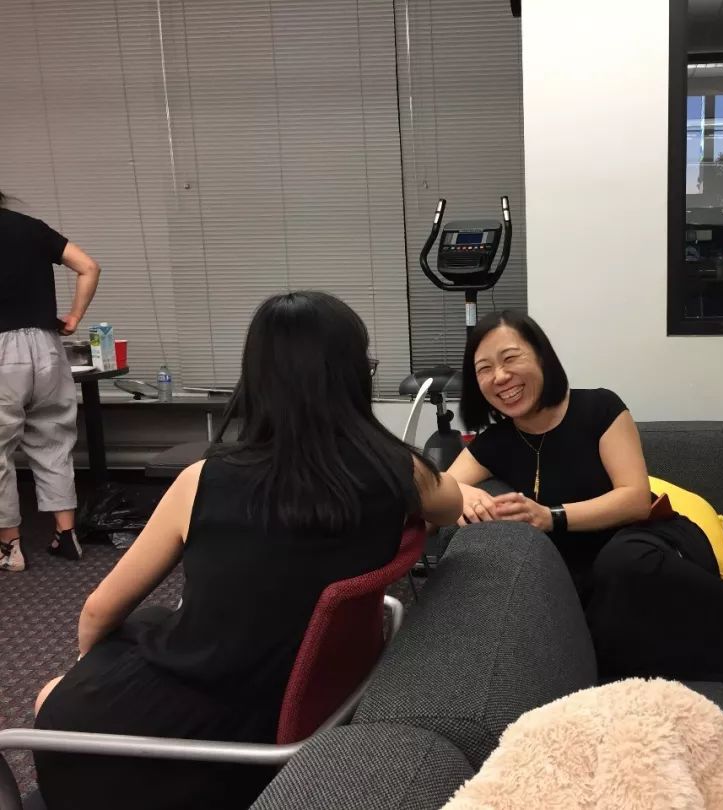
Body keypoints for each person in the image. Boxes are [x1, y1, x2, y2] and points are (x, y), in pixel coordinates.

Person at [33, 291, 463, 810]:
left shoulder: (202, 480)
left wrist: (86, 667)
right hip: (300, 705)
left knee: (52, 693)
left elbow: (99, 610)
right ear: (353, 375)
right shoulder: (400, 472)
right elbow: (452, 505)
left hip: (204, 730)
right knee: (145, 628)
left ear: (257, 381)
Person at [446, 310, 723, 696]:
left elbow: (633, 499)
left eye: (510, 358)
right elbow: (434, 490)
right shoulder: (493, 444)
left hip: (656, 548)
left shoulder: (598, 409)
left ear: (542, 357)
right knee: (598, 642)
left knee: (623, 561)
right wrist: (462, 493)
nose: (500, 377)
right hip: (603, 589)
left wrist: (552, 517)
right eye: (484, 368)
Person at [0, 188, 102, 571]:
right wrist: (73, 317)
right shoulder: (31, 228)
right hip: (46, 347)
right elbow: (89, 267)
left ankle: (9, 548)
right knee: (54, 441)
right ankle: (66, 535)